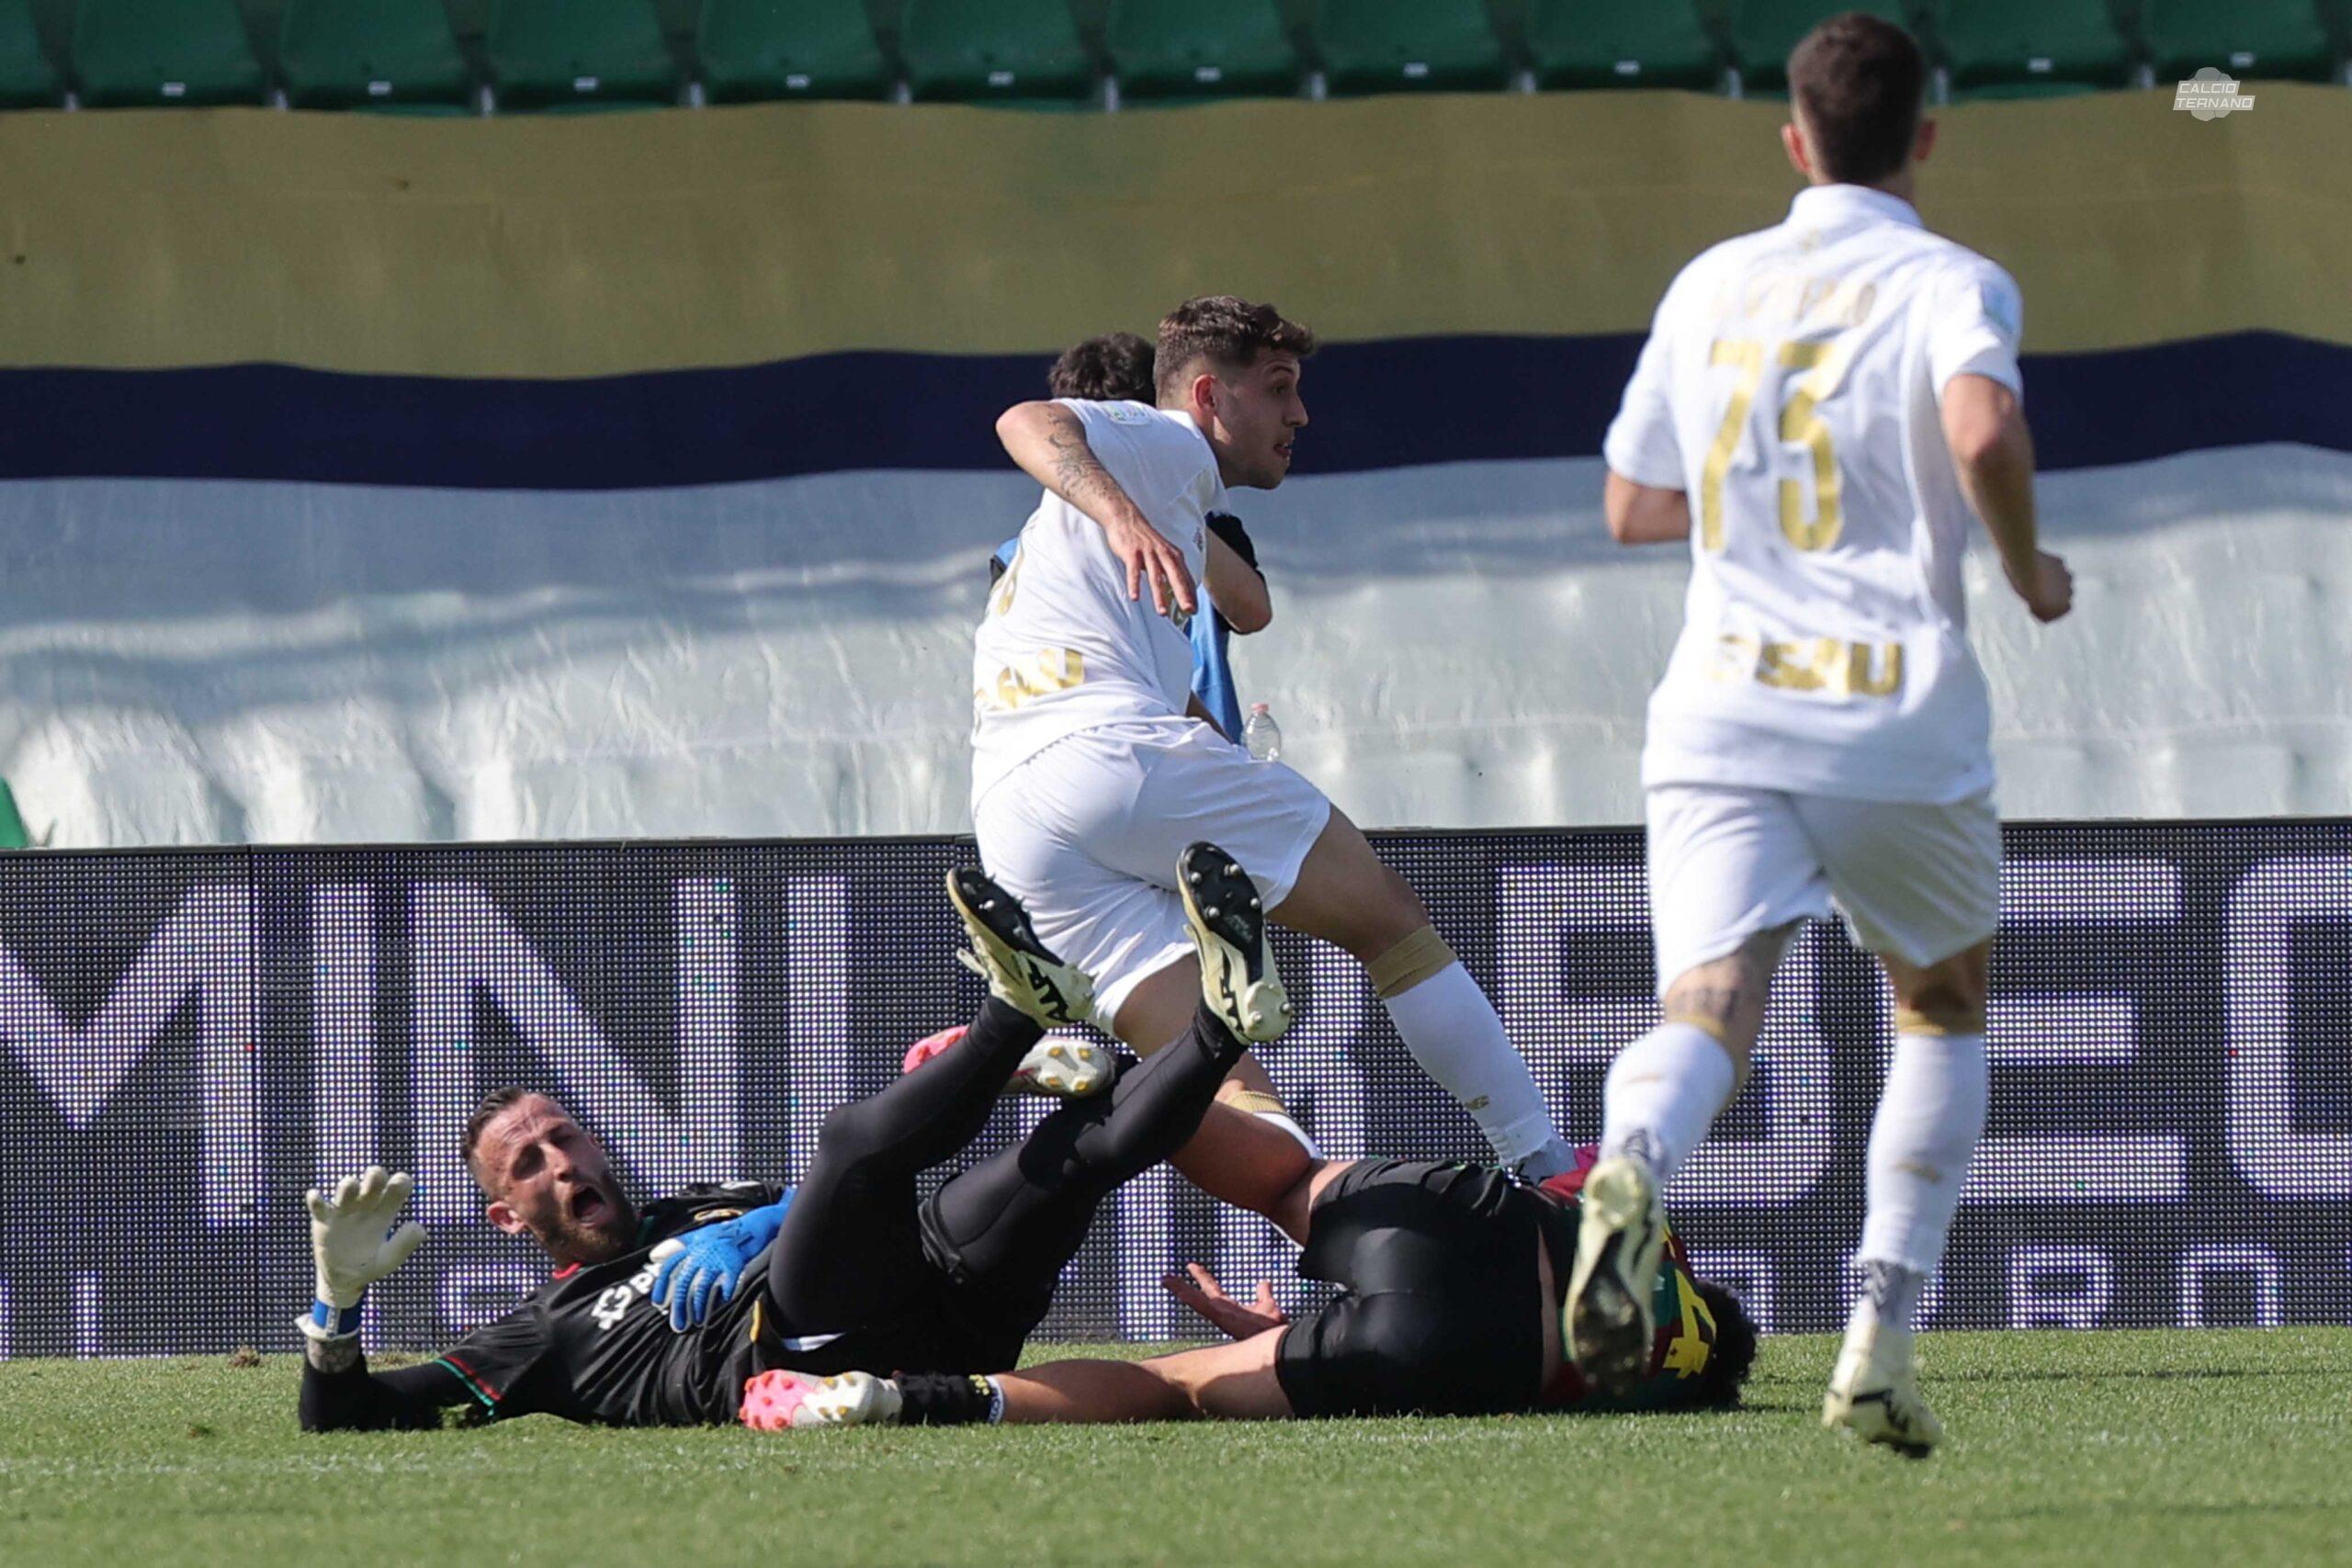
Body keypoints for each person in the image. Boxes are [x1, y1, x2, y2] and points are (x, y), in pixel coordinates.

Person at [1567, 12, 2073, 1455]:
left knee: (1709, 1000)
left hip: (1720, 700)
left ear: (1794, 140)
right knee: (1941, 1000)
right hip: (1889, 705)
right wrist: (2028, 571)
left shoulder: (1713, 280)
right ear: (1923, 135)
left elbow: (1632, 503)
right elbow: (1979, 434)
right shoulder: (1949, 279)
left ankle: (1637, 1168)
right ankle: (1879, 1339)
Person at [293, 849, 1291, 1431]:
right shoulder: (541, 1336)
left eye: (565, 1136)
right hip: (813, 1352)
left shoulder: (700, 1203)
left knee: (1079, 1153)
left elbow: (839, 1216)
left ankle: (1221, 1024)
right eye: (528, 1164)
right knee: (851, 1146)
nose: (561, 1161)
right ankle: (1015, 1019)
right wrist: (336, 1311)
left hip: (944, 1307)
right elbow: (351, 1420)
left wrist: (751, 1221)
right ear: (507, 1218)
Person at [975, 295, 1577, 1195]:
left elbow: (1224, 627)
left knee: (1230, 1101)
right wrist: (1124, 514)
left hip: (1014, 819)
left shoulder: (1114, 522)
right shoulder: (1164, 442)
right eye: (1280, 388)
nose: (1299, 414)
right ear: (1210, 395)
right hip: (1109, 755)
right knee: (1393, 930)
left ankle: (1096, 1080)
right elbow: (1023, 418)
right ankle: (1547, 1164)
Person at [732, 1138, 1758, 1432]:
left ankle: (1157, 1068)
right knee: (1178, 1383)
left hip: (1480, 1224)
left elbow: (1577, 1184)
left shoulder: (1659, 1252)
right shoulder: (1672, 1383)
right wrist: (1288, 1336)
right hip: (1468, 1352)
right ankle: (910, 1398)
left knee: (1282, 1178)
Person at [991, 332, 1273, 744]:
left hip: (1199, 765)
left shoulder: (1208, 516)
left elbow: (1252, 613)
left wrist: (1174, 516)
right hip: (1087, 741)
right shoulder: (1019, 556)